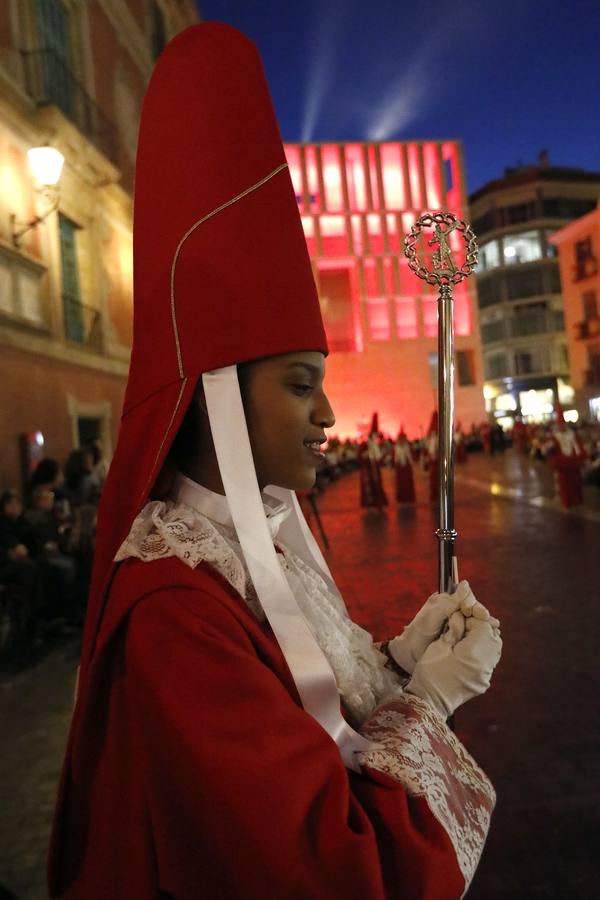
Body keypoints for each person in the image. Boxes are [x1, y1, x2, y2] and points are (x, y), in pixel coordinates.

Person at [48, 24, 502, 900]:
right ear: (220, 396)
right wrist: (430, 705)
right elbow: (328, 868)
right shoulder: (174, 613)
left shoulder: (253, 547)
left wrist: (398, 665)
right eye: (300, 385)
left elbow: (308, 716)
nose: (328, 413)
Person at [358, 414, 389, 511]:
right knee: (370, 487)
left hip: (375, 469)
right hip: (368, 470)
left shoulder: (376, 445)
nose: (376, 438)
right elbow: (361, 456)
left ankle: (379, 504)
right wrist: (368, 453)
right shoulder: (365, 445)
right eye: (375, 436)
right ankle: (371, 505)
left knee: (377, 485)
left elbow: (379, 458)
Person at [393, 429, 416, 503]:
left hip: (405, 466)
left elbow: (408, 456)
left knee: (406, 482)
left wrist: (410, 462)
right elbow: (396, 457)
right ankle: (403, 497)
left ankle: (407, 497)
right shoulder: (398, 447)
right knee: (402, 482)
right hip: (401, 466)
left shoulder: (405, 446)